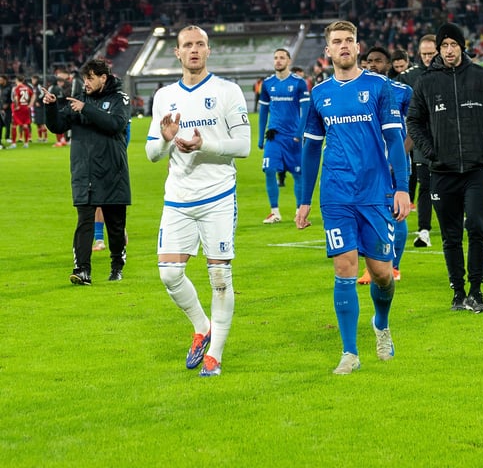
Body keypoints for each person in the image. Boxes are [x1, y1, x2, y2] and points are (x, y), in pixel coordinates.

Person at [295, 21, 410, 374]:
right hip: (336, 194)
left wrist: (402, 187)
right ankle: (349, 353)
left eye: (349, 40)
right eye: (336, 42)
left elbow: (394, 140)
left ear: (358, 47)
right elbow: (311, 150)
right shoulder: (318, 94)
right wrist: (304, 199)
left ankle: (381, 322)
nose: (343, 46)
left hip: (376, 192)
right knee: (344, 268)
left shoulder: (379, 87)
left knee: (381, 274)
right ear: (327, 51)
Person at [145, 25, 251, 378]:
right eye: (187, 45)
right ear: (177, 53)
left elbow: (244, 146)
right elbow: (151, 153)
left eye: (200, 44)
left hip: (218, 195)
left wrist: (205, 144)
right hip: (177, 198)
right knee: (170, 274)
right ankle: (202, 327)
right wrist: (164, 138)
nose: (194, 50)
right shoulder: (163, 96)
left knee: (219, 275)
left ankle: (215, 355)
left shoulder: (227, 91)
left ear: (209, 51)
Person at [407, 22, 483, 313]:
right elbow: (414, 121)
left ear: (463, 46)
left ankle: (476, 290)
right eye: (444, 45)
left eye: (454, 45)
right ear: (438, 49)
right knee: (451, 235)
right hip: (442, 171)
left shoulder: (482, 77)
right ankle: (458, 292)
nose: (449, 50)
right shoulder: (426, 82)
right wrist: (431, 151)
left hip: (477, 169)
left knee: (476, 226)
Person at [43, 59, 131, 285]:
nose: (87, 83)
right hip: (85, 172)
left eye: (91, 78)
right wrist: (51, 106)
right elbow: (57, 126)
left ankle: (116, 265)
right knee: (84, 222)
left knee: (115, 224)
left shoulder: (119, 99)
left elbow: (115, 125)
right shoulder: (79, 100)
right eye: (85, 79)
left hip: (112, 171)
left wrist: (87, 109)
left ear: (104, 77)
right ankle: (82, 270)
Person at [357, 45, 412, 284]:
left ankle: (395, 266)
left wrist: (399, 156)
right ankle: (373, 266)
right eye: (368, 61)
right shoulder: (357, 90)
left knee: (397, 212)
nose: (372, 65)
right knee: (367, 212)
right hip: (366, 165)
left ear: (388, 65)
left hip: (393, 163)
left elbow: (415, 128)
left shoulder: (403, 91)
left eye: (378, 61)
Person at [257, 48, 309, 225]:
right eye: (276, 58)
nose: (278, 61)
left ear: (289, 61)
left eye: (282, 58)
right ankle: (274, 212)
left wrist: (299, 133)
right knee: (269, 170)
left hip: (293, 137)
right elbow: (263, 111)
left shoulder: (298, 83)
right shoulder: (267, 84)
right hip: (274, 137)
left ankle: (298, 212)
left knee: (298, 175)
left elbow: (306, 110)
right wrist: (259, 137)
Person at [396, 34, 438, 248]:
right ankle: (424, 231)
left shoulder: (450, 73)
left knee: (453, 184)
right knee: (425, 185)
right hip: (421, 140)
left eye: (432, 53)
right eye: (424, 54)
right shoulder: (409, 77)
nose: (428, 57)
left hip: (449, 139)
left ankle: (458, 221)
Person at [10, 75, 35, 148]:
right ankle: (26, 143)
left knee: (14, 125)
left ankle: (14, 143)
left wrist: (17, 105)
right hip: (26, 107)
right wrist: (30, 104)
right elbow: (33, 95)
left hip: (19, 108)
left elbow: (16, 97)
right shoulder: (27, 88)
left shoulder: (17, 88)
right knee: (25, 124)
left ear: (16, 80)